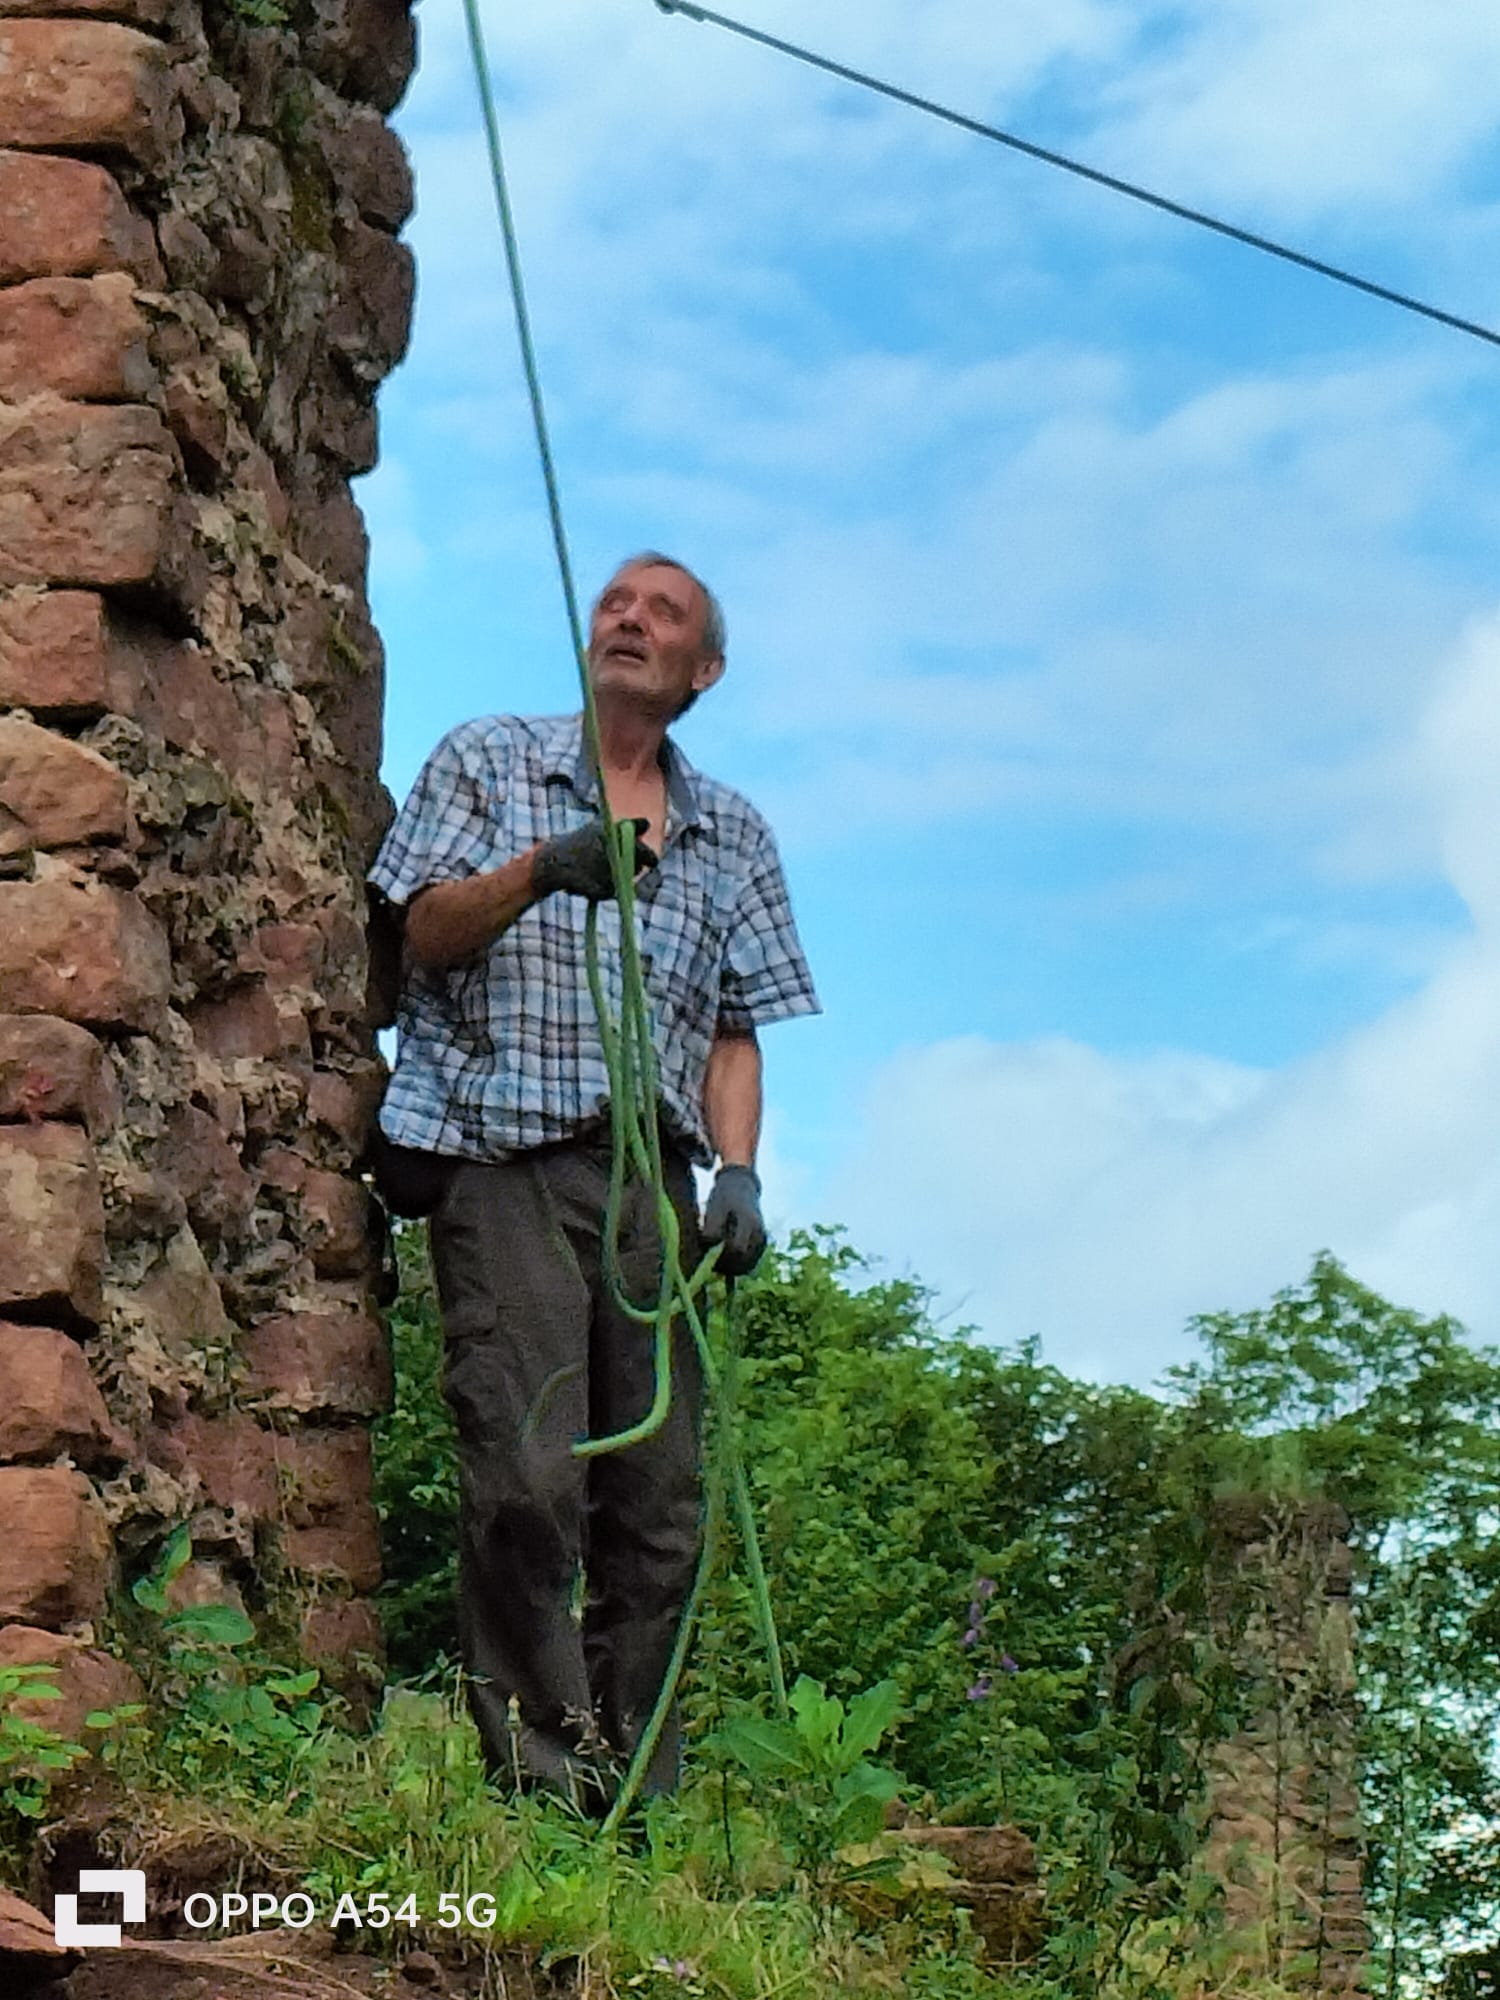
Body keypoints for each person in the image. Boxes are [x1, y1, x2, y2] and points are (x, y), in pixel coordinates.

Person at [369, 553, 819, 1807]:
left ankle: (639, 1801)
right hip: (504, 1156)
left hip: (650, 1184)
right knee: (527, 1478)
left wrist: (738, 1173)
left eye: (663, 611)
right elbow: (420, 931)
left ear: (703, 668)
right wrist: (539, 871)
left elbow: (734, 1028)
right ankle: (544, 1783)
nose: (629, 616)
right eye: (617, 600)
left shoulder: (734, 832)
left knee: (659, 1506)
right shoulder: (491, 757)